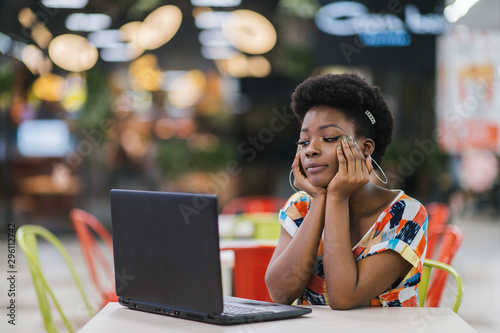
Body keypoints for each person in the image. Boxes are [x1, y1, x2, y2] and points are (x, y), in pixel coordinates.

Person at [265, 73, 428, 309]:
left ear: (365, 148)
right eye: (304, 142)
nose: (311, 150)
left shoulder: (406, 214)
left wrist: (338, 197)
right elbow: (280, 293)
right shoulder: (301, 206)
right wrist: (321, 198)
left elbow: (344, 297)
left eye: (329, 138)